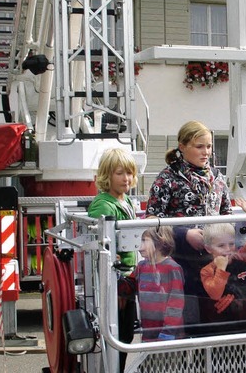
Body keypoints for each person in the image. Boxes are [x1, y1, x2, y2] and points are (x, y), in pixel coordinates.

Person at [145, 120, 246, 335]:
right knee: (189, 322)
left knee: (216, 320)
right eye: (199, 146)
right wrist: (185, 234)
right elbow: (152, 218)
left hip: (215, 261)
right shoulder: (167, 178)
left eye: (209, 146)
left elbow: (225, 215)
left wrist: (229, 241)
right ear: (182, 147)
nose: (206, 152)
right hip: (182, 262)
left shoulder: (217, 177)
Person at [87, 148, 138, 373]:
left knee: (126, 336)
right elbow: (102, 251)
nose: (126, 178)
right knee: (117, 338)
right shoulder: (103, 205)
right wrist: (114, 287)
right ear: (107, 176)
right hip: (116, 283)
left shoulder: (124, 200)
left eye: (129, 172)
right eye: (120, 173)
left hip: (128, 279)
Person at [120, 226, 184, 341]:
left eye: (144, 240)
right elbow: (127, 288)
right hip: (148, 333)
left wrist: (168, 333)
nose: (139, 245)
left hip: (170, 336)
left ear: (160, 241)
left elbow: (176, 304)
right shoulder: (141, 266)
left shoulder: (172, 268)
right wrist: (115, 273)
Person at [200, 221, 246, 334]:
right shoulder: (207, 270)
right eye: (221, 245)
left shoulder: (239, 258)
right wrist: (221, 268)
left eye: (231, 244)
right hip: (221, 328)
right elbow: (215, 293)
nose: (228, 249)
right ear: (208, 249)